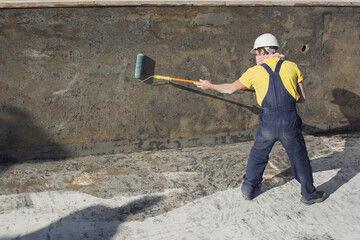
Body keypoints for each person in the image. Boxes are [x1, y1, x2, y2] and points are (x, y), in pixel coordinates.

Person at [194, 33, 326, 205]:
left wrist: (209, 86)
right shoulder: (292, 67)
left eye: (257, 53)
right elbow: (302, 98)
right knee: (299, 157)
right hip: (289, 121)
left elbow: (229, 89)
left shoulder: (254, 72)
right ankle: (309, 195)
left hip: (268, 123)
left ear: (263, 51)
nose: (256, 56)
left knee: (258, 155)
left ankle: (248, 189)